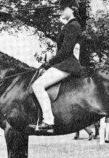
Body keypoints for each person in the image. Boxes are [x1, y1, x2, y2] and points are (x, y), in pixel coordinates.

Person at [30, 0, 83, 132]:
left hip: (68, 64)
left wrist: (48, 64)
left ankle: (48, 121)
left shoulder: (73, 25)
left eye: (63, 8)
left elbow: (65, 51)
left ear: (72, 9)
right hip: (64, 63)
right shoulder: (70, 25)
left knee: (37, 85)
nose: (60, 11)